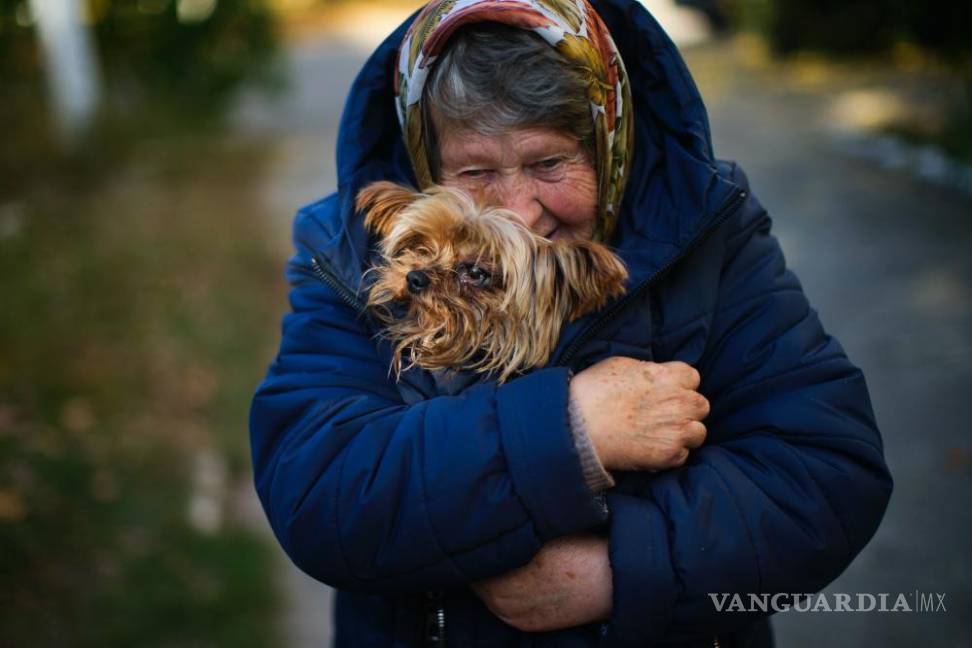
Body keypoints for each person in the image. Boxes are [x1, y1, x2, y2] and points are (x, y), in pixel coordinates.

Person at [249, 0, 894, 645]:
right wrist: (571, 429)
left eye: (549, 164)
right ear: (428, 160)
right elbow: (320, 495)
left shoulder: (709, 230)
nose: (518, 212)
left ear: (609, 145)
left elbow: (825, 477)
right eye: (475, 172)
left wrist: (622, 571)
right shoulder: (348, 250)